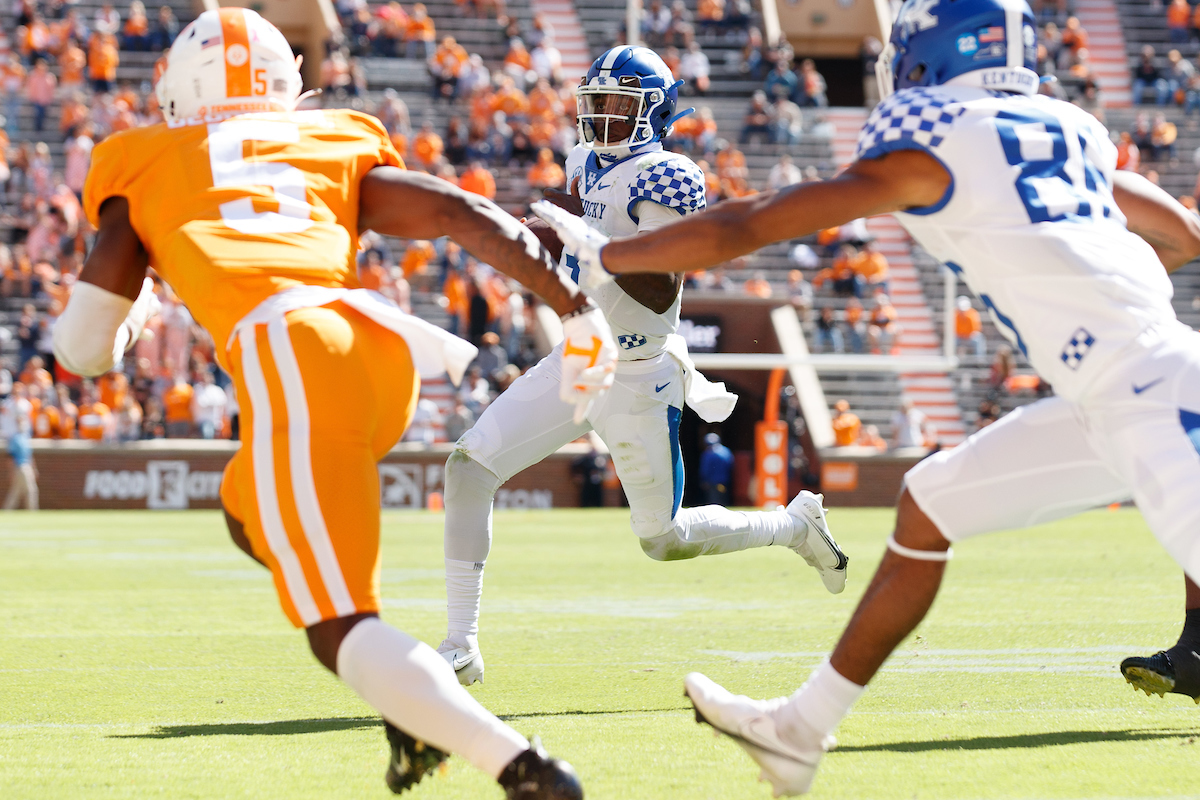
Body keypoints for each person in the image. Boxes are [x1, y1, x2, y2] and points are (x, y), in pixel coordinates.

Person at [531, 0, 1200, 792]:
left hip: (1153, 394)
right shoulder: (1072, 137)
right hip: (1122, 388)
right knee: (929, 502)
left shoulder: (936, 144)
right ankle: (797, 732)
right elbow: (1184, 234)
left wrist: (615, 251)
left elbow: (749, 223)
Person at [52, 8, 617, 797]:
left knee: (337, 628)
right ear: (288, 85)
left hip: (296, 356)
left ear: (178, 94)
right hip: (379, 352)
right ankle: (407, 699)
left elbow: (80, 351)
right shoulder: (332, 136)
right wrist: (576, 308)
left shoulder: (142, 158)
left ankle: (523, 769)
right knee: (245, 506)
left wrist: (137, 305)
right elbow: (462, 213)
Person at [438, 46, 848, 688]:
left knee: (663, 539)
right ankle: (459, 643)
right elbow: (574, 221)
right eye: (594, 104)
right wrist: (543, 236)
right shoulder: (585, 162)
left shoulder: (668, 175)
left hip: (637, 375)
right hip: (578, 358)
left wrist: (594, 249)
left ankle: (793, 526)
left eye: (617, 106)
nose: (601, 119)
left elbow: (659, 289)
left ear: (654, 114)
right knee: (467, 468)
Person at [1, 381, 37, 510]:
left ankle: (7, 510)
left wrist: (34, 467)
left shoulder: (24, 436)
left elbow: (29, 454)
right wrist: (11, 472)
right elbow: (10, 457)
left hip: (25, 466)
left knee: (16, 492)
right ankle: (32, 511)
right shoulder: (16, 438)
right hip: (20, 467)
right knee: (31, 490)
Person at [697, 431, 733, 505]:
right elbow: (730, 465)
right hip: (724, 481)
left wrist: (704, 481)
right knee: (723, 501)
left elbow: (705, 469)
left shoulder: (708, 453)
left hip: (712, 483)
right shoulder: (726, 451)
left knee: (713, 502)